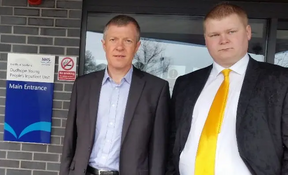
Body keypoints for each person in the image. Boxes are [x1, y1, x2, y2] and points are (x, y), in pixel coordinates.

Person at [167, 2, 288, 175]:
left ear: (247, 32)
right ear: (206, 39)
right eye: (214, 34)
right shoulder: (185, 84)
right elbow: (173, 141)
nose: (223, 40)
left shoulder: (280, 81)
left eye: (231, 32)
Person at [60, 14, 170, 175]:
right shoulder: (83, 86)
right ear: (104, 45)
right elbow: (70, 140)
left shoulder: (156, 90)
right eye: (113, 40)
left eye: (128, 41)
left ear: (137, 46)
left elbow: (158, 150)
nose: (119, 47)